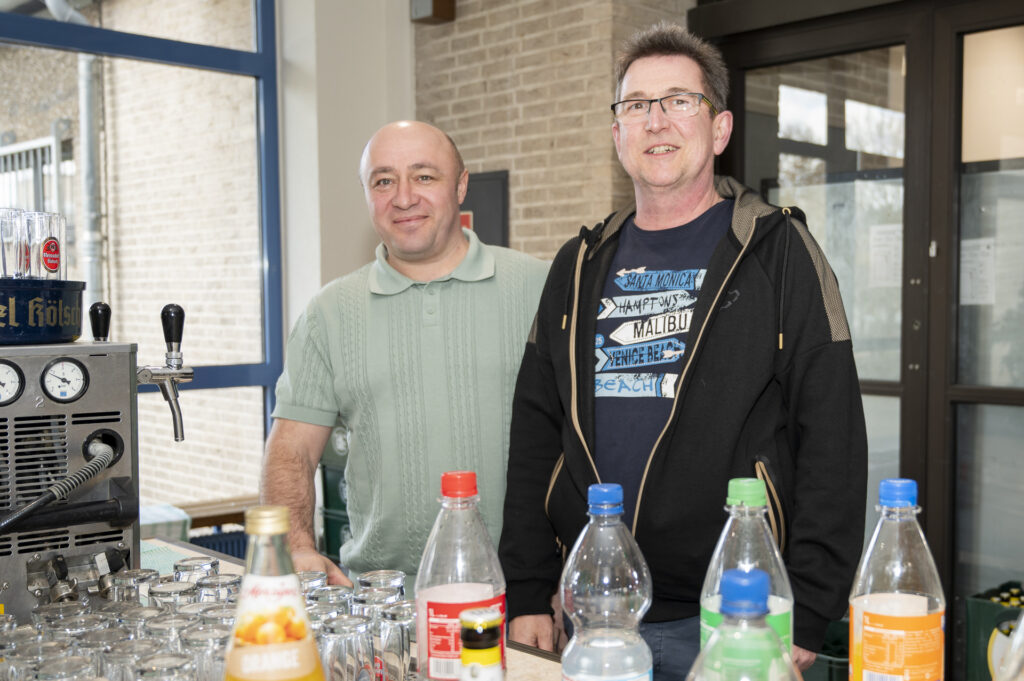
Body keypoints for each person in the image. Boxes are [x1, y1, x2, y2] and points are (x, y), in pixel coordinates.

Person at [498, 23, 867, 678]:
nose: (655, 120)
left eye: (678, 100)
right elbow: (534, 430)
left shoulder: (779, 254)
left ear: (719, 129)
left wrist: (807, 607)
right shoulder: (577, 265)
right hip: (595, 614)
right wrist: (527, 583)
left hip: (736, 617)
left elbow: (832, 437)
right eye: (636, 105)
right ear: (617, 134)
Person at [263, 120, 549, 589]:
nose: (403, 197)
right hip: (379, 597)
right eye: (383, 181)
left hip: (517, 596)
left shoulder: (539, 287)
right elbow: (291, 449)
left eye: (424, 176)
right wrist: (295, 545)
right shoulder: (328, 313)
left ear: (460, 186)